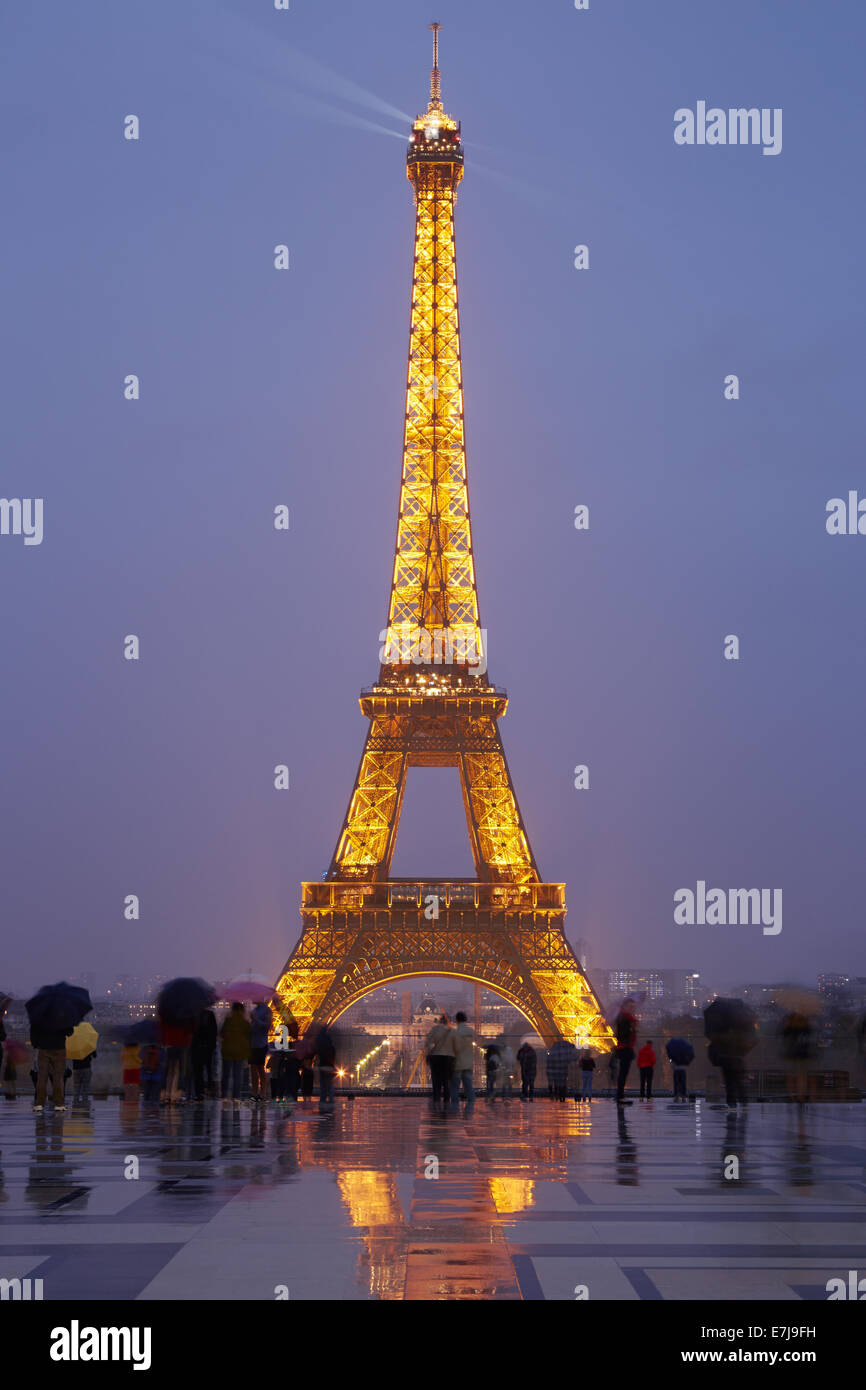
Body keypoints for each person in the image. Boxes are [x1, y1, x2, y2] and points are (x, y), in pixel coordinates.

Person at [30, 1018, 74, 1112]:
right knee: (58, 1077)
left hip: (43, 1047)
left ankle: (39, 1103)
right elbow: (70, 1032)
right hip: (59, 1047)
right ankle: (59, 1104)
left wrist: (36, 1044)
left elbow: (33, 1030)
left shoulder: (39, 1015)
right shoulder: (63, 1015)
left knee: (42, 1077)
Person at [220, 1002, 250, 1107]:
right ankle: (236, 1097)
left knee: (226, 1074)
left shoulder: (228, 1021)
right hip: (239, 1052)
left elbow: (222, 1034)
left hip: (227, 1051)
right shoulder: (245, 1023)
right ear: (242, 1011)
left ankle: (224, 1096)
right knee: (238, 1075)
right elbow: (249, 1037)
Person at [161, 1018, 193, 1104]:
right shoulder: (182, 1020)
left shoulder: (169, 1019)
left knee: (169, 1071)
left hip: (170, 1045)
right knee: (178, 1071)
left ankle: (166, 1094)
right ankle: (176, 1094)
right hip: (180, 1046)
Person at [424, 1014, 454, 1106]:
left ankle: (436, 1099)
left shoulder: (435, 1029)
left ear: (440, 1020)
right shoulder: (453, 1031)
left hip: (436, 1056)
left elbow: (428, 1043)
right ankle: (447, 1100)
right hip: (449, 1058)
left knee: (436, 1080)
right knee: (447, 1080)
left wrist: (429, 1052)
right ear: (449, 1021)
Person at [613, 998, 638, 1105]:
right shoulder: (626, 1018)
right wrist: (632, 1028)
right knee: (623, 1073)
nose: (633, 1008)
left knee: (623, 1073)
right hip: (625, 1048)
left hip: (624, 1048)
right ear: (626, 1006)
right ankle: (620, 1096)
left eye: (633, 1007)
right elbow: (623, 1034)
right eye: (631, 1006)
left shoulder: (623, 1017)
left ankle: (620, 1096)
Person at [191, 1006, 218, 1102]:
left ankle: (199, 1092)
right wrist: (212, 1046)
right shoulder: (210, 1014)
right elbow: (214, 1031)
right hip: (207, 1047)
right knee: (209, 1069)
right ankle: (210, 1089)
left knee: (198, 1071)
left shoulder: (194, 1015)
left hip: (196, 1047)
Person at [450, 1012, 476, 1106]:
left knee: (454, 1087)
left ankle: (454, 1106)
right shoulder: (471, 1031)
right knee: (469, 1086)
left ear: (456, 1020)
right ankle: (471, 1105)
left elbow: (452, 1048)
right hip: (468, 1063)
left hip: (457, 1063)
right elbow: (479, 1042)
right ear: (466, 1019)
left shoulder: (454, 1032)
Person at [249, 1002, 272, 1104]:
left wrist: (256, 1020)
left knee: (260, 1068)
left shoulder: (267, 1010)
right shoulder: (254, 1011)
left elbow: (267, 1027)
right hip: (253, 1044)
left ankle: (262, 1093)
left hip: (261, 1044)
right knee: (253, 1069)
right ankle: (255, 1093)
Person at [313, 1025, 336, 1108]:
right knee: (329, 1084)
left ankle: (323, 1099)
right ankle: (330, 1099)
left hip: (323, 1066)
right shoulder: (331, 1047)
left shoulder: (320, 1046)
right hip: (330, 1066)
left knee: (323, 1084)